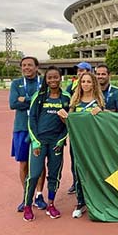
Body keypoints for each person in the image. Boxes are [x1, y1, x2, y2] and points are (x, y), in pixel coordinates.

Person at [23, 66, 71, 221]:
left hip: (56, 142)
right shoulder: (40, 96)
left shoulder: (66, 98)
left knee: (54, 175)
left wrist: (61, 140)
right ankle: (28, 205)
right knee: (35, 174)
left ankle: (51, 204)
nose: (52, 80)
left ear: (60, 78)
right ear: (46, 79)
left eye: (55, 77)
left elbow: (70, 123)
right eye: (49, 77)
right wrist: (35, 142)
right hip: (40, 142)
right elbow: (32, 120)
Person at [58, 72, 104, 219]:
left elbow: (105, 122)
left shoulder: (99, 102)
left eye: (88, 82)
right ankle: (80, 202)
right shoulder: (75, 102)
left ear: (94, 84)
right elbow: (70, 123)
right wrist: (63, 117)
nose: (85, 84)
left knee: (95, 171)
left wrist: (102, 112)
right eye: (83, 81)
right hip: (77, 143)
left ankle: (96, 201)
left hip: (94, 143)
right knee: (78, 171)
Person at [9, 56, 47, 212]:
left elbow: (45, 100)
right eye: (24, 65)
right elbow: (13, 103)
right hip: (21, 128)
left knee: (39, 163)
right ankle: (27, 196)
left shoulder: (44, 82)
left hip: (40, 128)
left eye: (30, 65)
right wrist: (35, 100)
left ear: (36, 67)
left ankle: (39, 195)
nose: (26, 68)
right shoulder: (16, 83)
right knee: (23, 163)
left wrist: (26, 98)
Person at [65, 61, 91, 195]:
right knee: (75, 160)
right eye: (79, 71)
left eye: (83, 70)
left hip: (92, 136)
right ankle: (76, 183)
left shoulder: (96, 94)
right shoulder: (71, 88)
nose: (80, 73)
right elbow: (69, 110)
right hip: (77, 135)